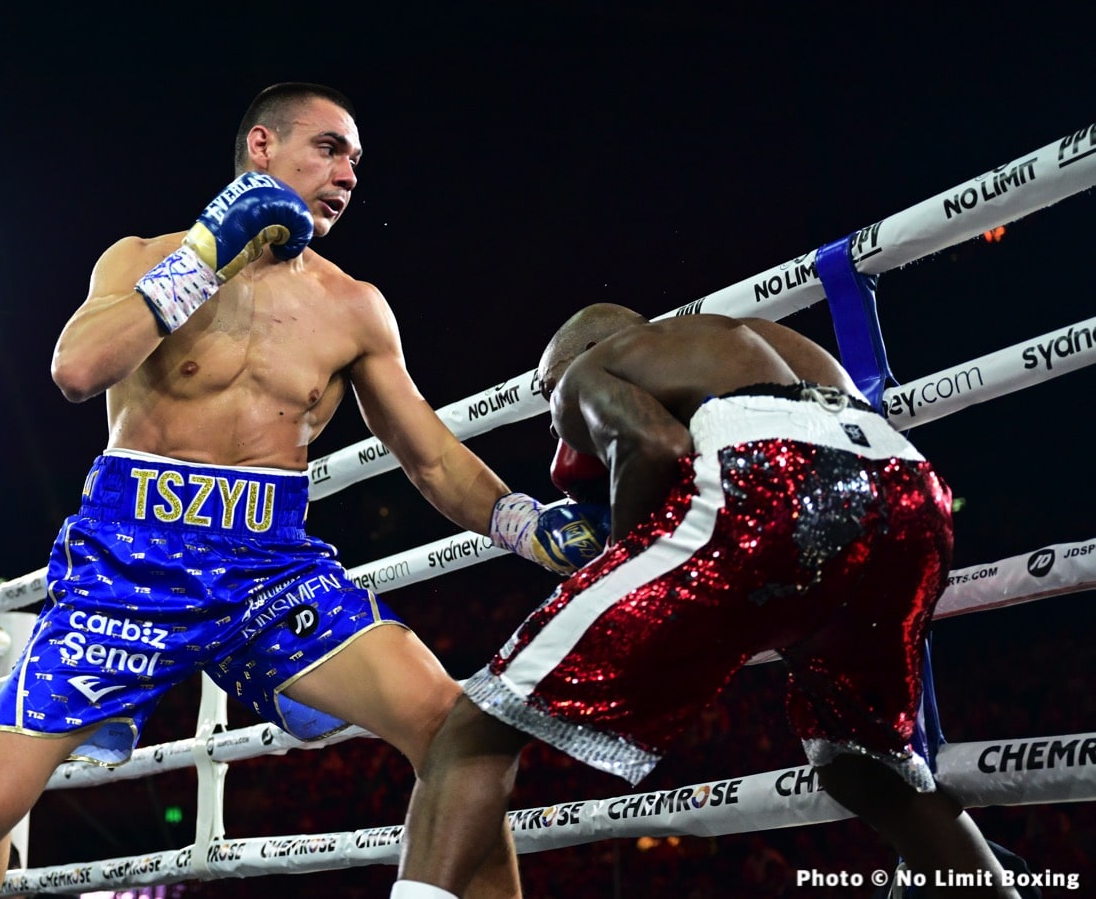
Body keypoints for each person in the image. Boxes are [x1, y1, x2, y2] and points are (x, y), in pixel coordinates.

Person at [0, 82, 605, 899]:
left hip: (268, 568)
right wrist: (208, 255)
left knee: (459, 731)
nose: (349, 174)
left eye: (357, 161)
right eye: (329, 149)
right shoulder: (143, 258)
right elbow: (76, 371)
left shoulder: (354, 307)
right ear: (262, 148)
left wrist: (523, 521)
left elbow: (428, 458)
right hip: (125, 568)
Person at [394, 305, 1022, 898]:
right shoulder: (764, 344)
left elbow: (652, 444)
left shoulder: (583, 374)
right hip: (910, 498)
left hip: (771, 483)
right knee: (869, 768)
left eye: (544, 392)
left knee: (471, 730)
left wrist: (620, 561)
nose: (551, 415)